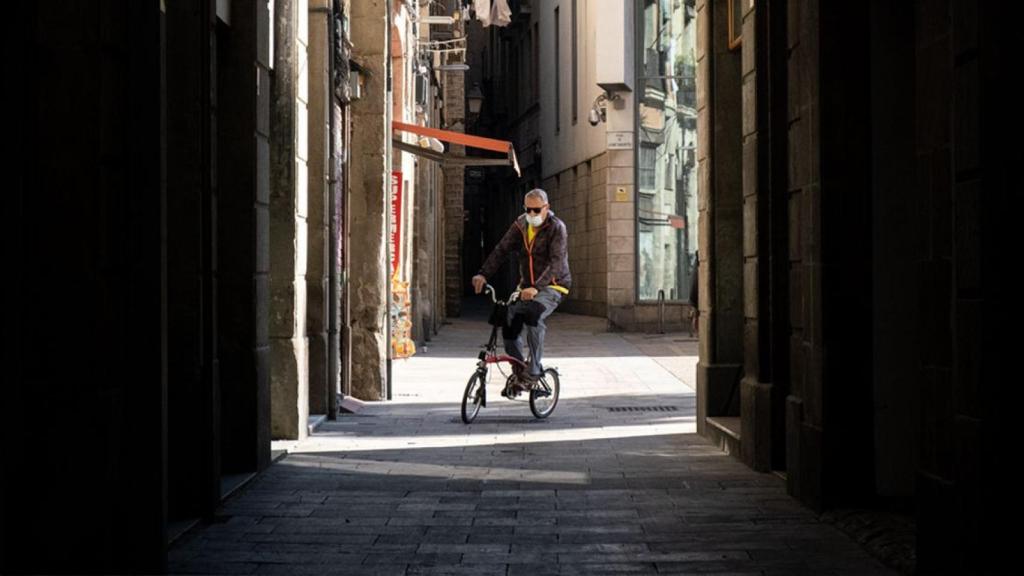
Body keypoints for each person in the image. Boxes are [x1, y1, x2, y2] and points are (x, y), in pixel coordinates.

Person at [471, 188, 571, 387]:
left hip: (554, 286)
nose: (532, 214)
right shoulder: (520, 225)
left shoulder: (556, 227)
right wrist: (483, 273)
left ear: (546, 208)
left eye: (536, 210)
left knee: (533, 315)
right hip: (526, 287)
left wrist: (536, 287)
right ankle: (520, 369)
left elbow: (556, 262)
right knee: (508, 321)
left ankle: (534, 369)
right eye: (528, 210)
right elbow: (501, 250)